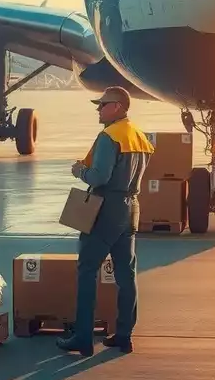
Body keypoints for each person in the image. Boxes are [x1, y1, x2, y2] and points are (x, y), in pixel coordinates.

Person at [57, 86, 154, 357]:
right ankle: (124, 335)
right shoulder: (139, 137)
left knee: (87, 270)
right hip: (131, 207)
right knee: (126, 274)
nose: (98, 109)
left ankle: (83, 337)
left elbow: (98, 177)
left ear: (118, 107)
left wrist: (80, 171)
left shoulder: (108, 136)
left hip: (106, 208)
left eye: (102, 105)